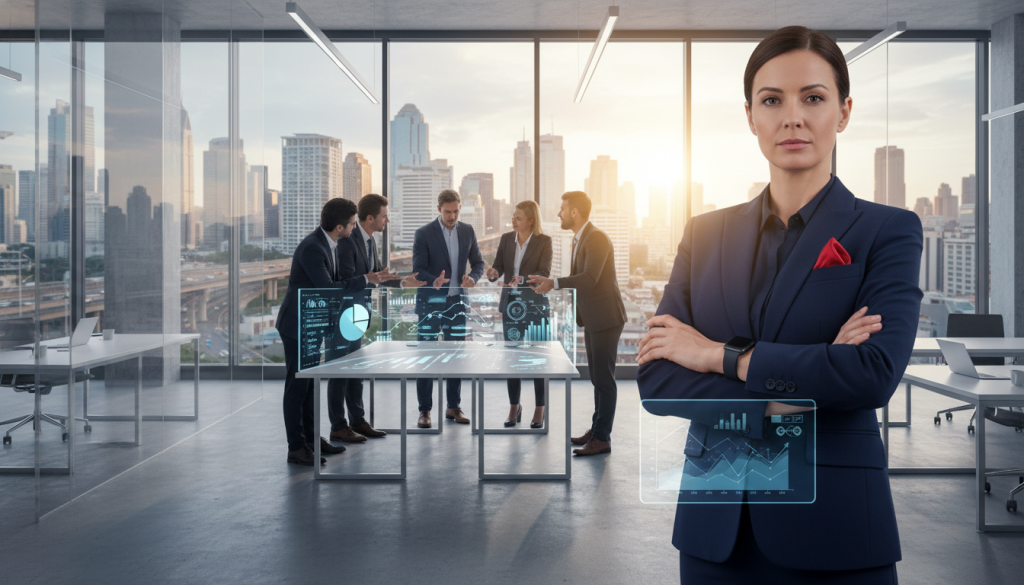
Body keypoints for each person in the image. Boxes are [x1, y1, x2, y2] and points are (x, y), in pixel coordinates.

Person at [635, 26, 921, 583]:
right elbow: (657, 378)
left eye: (813, 98)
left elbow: (870, 375)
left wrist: (719, 356)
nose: (792, 117)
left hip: (834, 528)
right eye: (772, 100)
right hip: (714, 532)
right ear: (751, 117)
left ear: (843, 112)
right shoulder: (705, 233)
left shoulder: (887, 231)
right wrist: (792, 398)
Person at [275, 198, 398, 466]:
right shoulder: (312, 248)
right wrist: (366, 279)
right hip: (297, 325)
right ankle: (296, 447)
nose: (355, 228)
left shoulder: (328, 244)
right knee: (297, 388)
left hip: (312, 324)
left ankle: (310, 439)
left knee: (309, 387)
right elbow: (328, 288)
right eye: (353, 224)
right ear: (339, 226)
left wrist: (375, 278)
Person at [527, 191, 626, 456]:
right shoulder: (579, 239)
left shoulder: (596, 238)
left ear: (574, 212)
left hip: (606, 318)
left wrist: (554, 282)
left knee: (604, 380)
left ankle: (602, 438)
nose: (559, 213)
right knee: (597, 378)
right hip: (594, 317)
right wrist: (552, 282)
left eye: (562, 209)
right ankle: (596, 430)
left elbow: (590, 278)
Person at [328, 193, 425, 443]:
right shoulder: (348, 241)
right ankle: (339, 425)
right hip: (345, 315)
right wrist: (371, 279)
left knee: (355, 370)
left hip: (358, 314)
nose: (388, 220)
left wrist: (403, 281)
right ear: (370, 218)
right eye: (384, 216)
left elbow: (378, 276)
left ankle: (357, 421)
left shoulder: (369, 240)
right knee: (340, 371)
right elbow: (348, 281)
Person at [411, 189, 486, 428]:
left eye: (455, 211)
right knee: (427, 356)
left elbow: (479, 263)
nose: (452, 216)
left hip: (456, 303)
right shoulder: (423, 233)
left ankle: (453, 407)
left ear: (459, 208)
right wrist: (433, 280)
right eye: (447, 212)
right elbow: (418, 269)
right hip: (430, 303)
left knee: (455, 355)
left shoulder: (468, 231)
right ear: (439, 209)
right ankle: (424, 411)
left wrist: (473, 278)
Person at [485, 200, 552, 428]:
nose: (513, 221)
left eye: (519, 218)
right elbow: (498, 268)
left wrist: (522, 279)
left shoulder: (545, 242)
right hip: (511, 305)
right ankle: (515, 406)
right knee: (512, 358)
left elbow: (544, 272)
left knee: (537, 360)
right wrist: (493, 273)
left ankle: (540, 408)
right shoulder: (506, 239)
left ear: (531, 221)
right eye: (513, 217)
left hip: (535, 306)